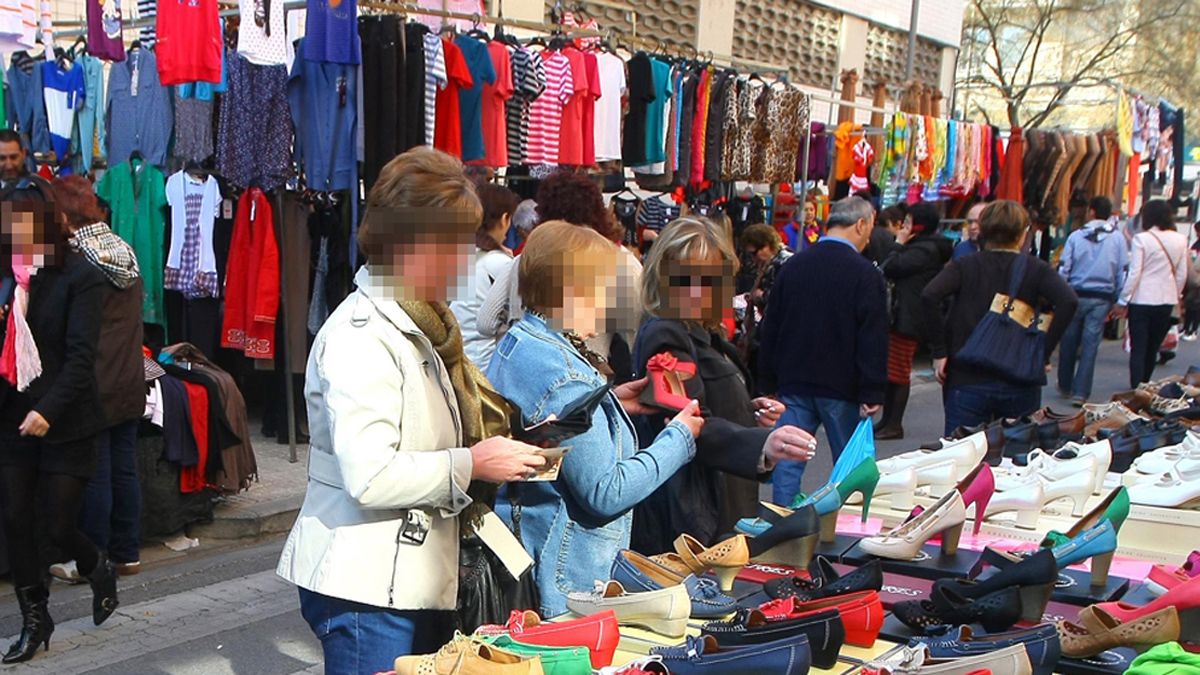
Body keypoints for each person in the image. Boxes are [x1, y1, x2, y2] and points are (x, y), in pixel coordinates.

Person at [276, 148, 547, 675]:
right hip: (369, 589)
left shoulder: (422, 324)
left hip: (404, 578)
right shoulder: (364, 336)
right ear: (414, 245)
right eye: (458, 244)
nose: (467, 259)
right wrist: (472, 465)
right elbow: (371, 474)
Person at [486, 221, 705, 617]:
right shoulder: (561, 371)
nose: (607, 303)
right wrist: (678, 439)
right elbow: (606, 491)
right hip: (567, 580)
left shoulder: (524, 342)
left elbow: (549, 435)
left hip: (538, 558)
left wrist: (611, 404)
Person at [632, 216, 819, 553]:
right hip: (695, 514)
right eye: (687, 277)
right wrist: (762, 442)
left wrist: (751, 413)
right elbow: (687, 423)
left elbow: (701, 405)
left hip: (720, 502)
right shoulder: (667, 334)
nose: (699, 288)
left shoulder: (700, 332)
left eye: (709, 278)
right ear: (664, 277)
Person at [0, 195, 119, 664]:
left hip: (65, 417)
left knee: (57, 524)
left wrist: (48, 409)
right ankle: (35, 619)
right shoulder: (9, 277)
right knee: (14, 518)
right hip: (12, 413)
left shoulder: (81, 278)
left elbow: (80, 358)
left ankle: (96, 565)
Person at [45, 177, 146, 584]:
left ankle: (93, 559)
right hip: (128, 377)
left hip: (94, 381)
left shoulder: (75, 260)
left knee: (96, 473)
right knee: (124, 468)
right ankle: (127, 554)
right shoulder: (123, 249)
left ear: (64, 216)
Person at [757, 196, 888, 506]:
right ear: (860, 224)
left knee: (788, 460)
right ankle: (847, 524)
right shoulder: (865, 273)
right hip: (842, 385)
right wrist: (873, 389)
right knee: (852, 466)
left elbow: (771, 326)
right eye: (870, 227)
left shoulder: (794, 265)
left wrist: (767, 382)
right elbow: (873, 335)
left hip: (793, 380)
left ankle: (782, 523)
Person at [921, 201, 1078, 434]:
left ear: (983, 230)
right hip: (1020, 374)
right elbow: (1069, 301)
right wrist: (1043, 351)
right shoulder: (1037, 269)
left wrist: (940, 351)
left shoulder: (965, 265)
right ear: (1024, 233)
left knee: (962, 454)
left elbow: (929, 295)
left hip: (967, 374)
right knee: (1015, 455)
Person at [874, 202, 952, 440]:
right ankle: (887, 420)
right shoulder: (925, 247)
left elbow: (890, 267)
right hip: (903, 314)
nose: (904, 226)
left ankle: (894, 423)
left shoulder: (924, 250)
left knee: (898, 372)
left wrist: (898, 242)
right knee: (892, 371)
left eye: (908, 222)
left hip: (908, 317)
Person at [1056, 196, 1128, 404]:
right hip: (1101, 298)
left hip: (1075, 294)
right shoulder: (1117, 239)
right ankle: (1081, 392)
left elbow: (1064, 268)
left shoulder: (1076, 237)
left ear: (1092, 211)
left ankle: (1065, 383)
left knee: (1068, 340)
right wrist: (1119, 299)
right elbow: (1122, 272)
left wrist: (1061, 294)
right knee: (1090, 345)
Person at [1117, 199, 1188, 387]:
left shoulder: (1142, 239)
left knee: (1138, 348)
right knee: (1152, 347)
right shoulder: (1180, 240)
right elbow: (1181, 274)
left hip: (1142, 299)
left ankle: (1136, 387)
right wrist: (1175, 294)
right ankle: (1146, 382)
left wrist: (1123, 300)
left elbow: (1135, 273)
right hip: (1166, 300)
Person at [449, 183, 519, 371]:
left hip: (457, 358)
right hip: (486, 365)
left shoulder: (462, 255)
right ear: (505, 218)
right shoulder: (500, 264)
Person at [738, 224, 794, 379]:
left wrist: (760, 296)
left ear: (767, 245)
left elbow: (784, 298)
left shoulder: (783, 263)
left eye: (754, 253)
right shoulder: (771, 263)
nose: (754, 259)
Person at [0, 130, 51, 202]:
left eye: (13, 157)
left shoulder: (41, 188)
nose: (9, 165)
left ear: (23, 154)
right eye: (2, 158)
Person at [1183, 222, 1200, 341]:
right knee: (1190, 303)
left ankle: (1193, 329)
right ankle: (1186, 328)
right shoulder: (1196, 243)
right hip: (1194, 274)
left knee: (1195, 305)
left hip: (1196, 275)